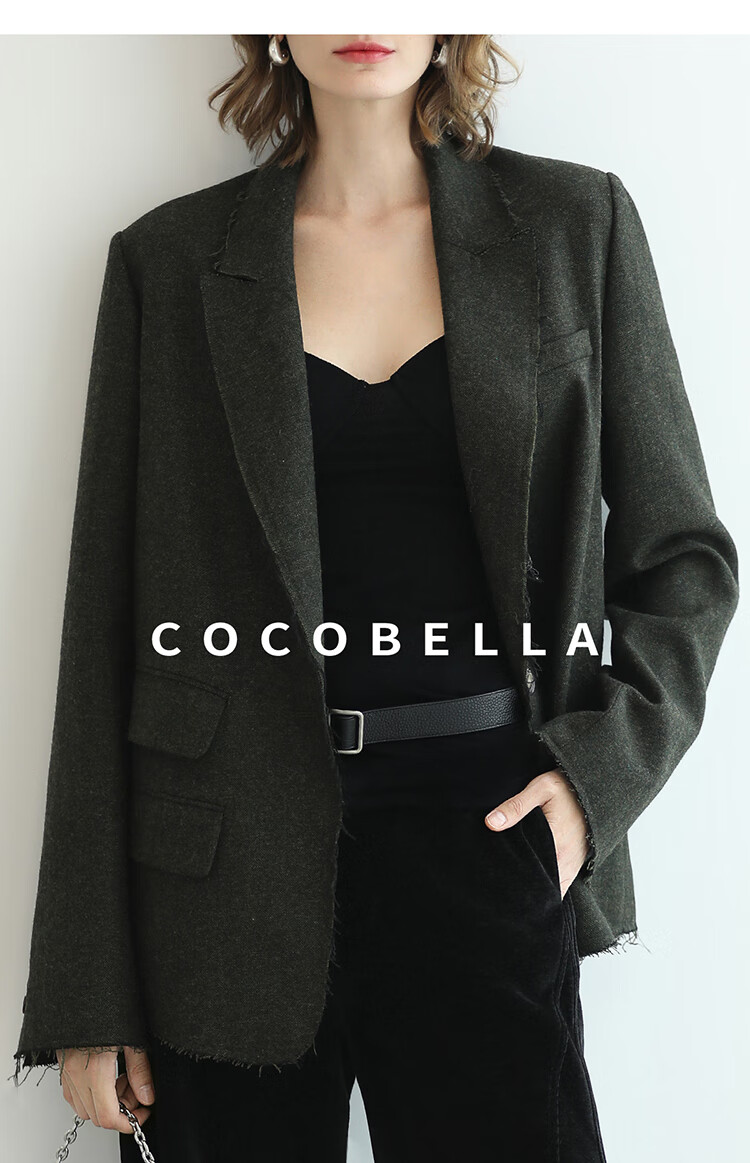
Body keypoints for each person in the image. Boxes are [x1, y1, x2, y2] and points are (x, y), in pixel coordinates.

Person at [13, 34, 738, 1163]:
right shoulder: (171, 261)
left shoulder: (571, 225)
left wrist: (590, 787)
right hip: (221, 879)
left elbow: (684, 558)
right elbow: (107, 622)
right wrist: (88, 986)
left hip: (489, 837)